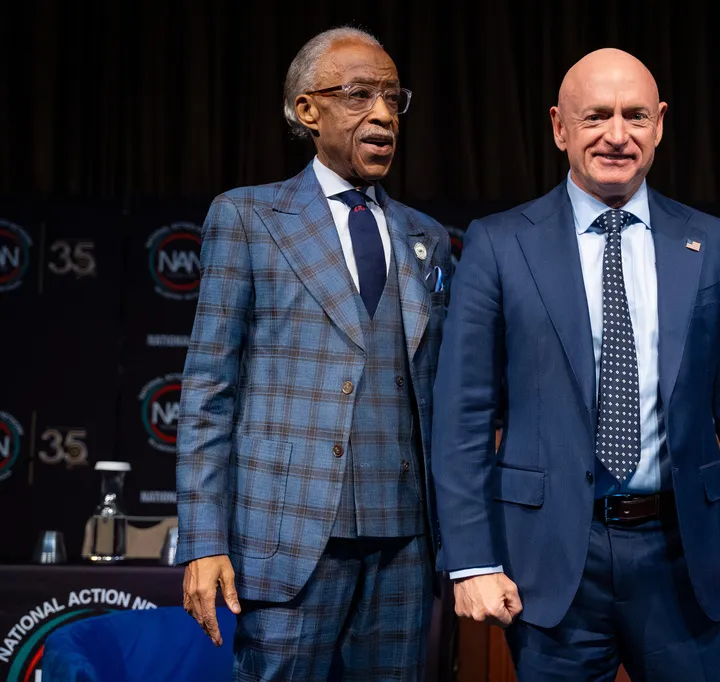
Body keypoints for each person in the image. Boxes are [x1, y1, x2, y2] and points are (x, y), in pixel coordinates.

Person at [431, 48, 720, 681]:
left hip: (688, 560)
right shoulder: (498, 244)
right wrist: (471, 560)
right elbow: (463, 415)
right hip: (549, 565)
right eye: (596, 116)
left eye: (635, 116)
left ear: (659, 124)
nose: (617, 136)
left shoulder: (714, 243)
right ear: (558, 127)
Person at [176, 26, 453, 681]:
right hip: (291, 543)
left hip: (404, 549)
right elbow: (208, 390)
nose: (383, 114)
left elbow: (437, 393)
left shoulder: (426, 238)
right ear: (307, 110)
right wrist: (204, 540)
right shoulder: (249, 220)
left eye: (393, 97)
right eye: (359, 95)